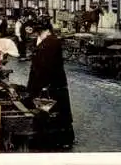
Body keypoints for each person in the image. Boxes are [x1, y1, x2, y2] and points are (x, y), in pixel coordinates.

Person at [25, 16, 75, 148]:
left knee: (55, 112)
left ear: (45, 30)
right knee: (50, 111)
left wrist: (43, 85)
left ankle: (60, 140)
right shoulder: (43, 40)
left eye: (38, 30)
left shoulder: (51, 42)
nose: (36, 33)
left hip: (51, 83)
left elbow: (47, 67)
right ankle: (52, 138)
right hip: (45, 81)